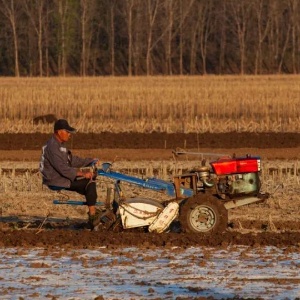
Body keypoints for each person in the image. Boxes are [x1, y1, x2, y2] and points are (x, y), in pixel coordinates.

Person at [39, 119, 102, 229]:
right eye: (67, 132)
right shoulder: (53, 147)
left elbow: (72, 161)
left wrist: (90, 161)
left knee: (90, 183)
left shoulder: (60, 145)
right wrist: (83, 174)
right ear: (59, 132)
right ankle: (93, 219)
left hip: (61, 177)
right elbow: (62, 168)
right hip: (56, 179)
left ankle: (94, 214)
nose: (69, 135)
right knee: (89, 183)